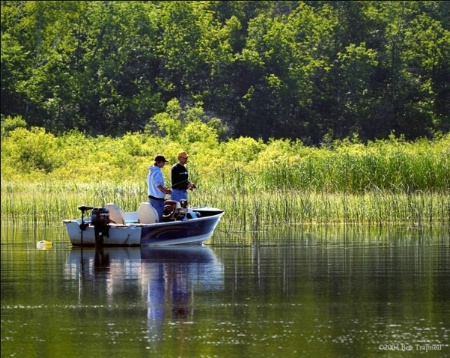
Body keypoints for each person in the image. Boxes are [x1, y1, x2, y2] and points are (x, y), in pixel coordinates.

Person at [147, 155, 172, 221]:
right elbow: (157, 185)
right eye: (163, 162)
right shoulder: (157, 171)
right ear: (158, 162)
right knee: (158, 219)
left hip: (151, 198)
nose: (164, 163)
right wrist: (166, 191)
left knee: (153, 219)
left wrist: (163, 188)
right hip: (157, 200)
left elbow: (155, 184)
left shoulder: (151, 171)